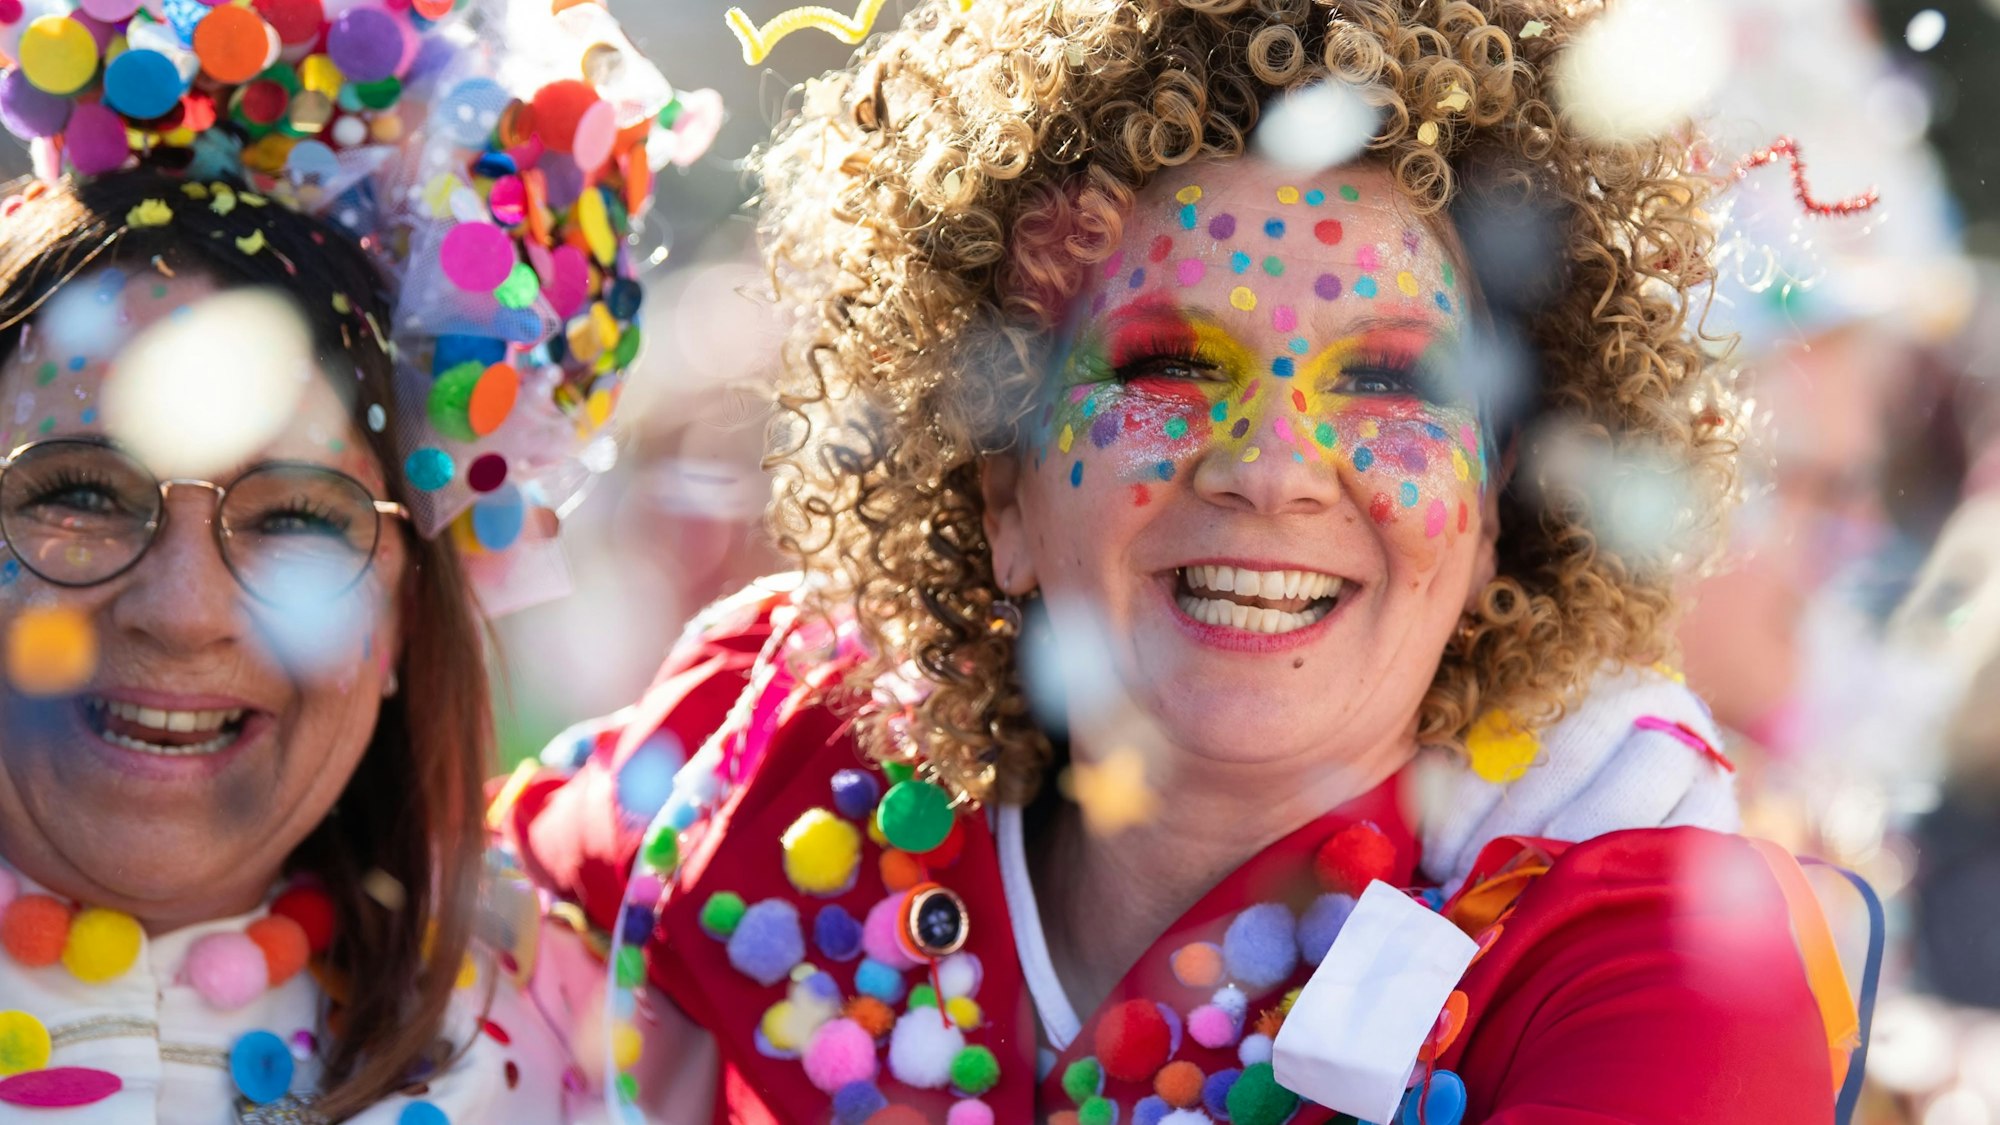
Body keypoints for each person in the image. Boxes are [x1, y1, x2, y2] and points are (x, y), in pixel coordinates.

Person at [494, 0, 1865, 1122]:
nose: (1270, 467)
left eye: (1388, 382)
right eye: (1165, 366)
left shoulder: (1636, 963)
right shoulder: (776, 754)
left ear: (1500, 499)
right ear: (1002, 486)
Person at [0, 0, 715, 1119]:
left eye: (297, 518)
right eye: (81, 495)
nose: (184, 611)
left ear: (403, 619)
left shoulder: (588, 1046)